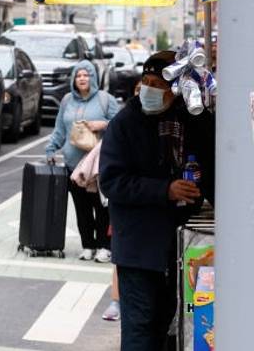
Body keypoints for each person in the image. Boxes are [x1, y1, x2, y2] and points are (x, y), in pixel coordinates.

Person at [99, 50, 215, 351]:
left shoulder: (183, 119)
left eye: (158, 84)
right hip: (137, 249)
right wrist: (165, 190)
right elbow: (112, 182)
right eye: (146, 81)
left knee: (165, 325)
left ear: (174, 91)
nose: (150, 89)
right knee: (139, 329)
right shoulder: (124, 124)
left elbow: (209, 160)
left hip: (174, 248)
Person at [46, 60, 118, 263]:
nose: (82, 78)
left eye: (86, 75)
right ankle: (88, 245)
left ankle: (105, 246)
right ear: (73, 79)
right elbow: (60, 129)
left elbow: (120, 125)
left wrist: (102, 124)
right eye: (78, 75)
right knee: (82, 208)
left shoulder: (106, 100)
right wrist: (51, 148)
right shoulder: (67, 100)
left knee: (102, 208)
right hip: (74, 166)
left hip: (98, 166)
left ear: (93, 78)